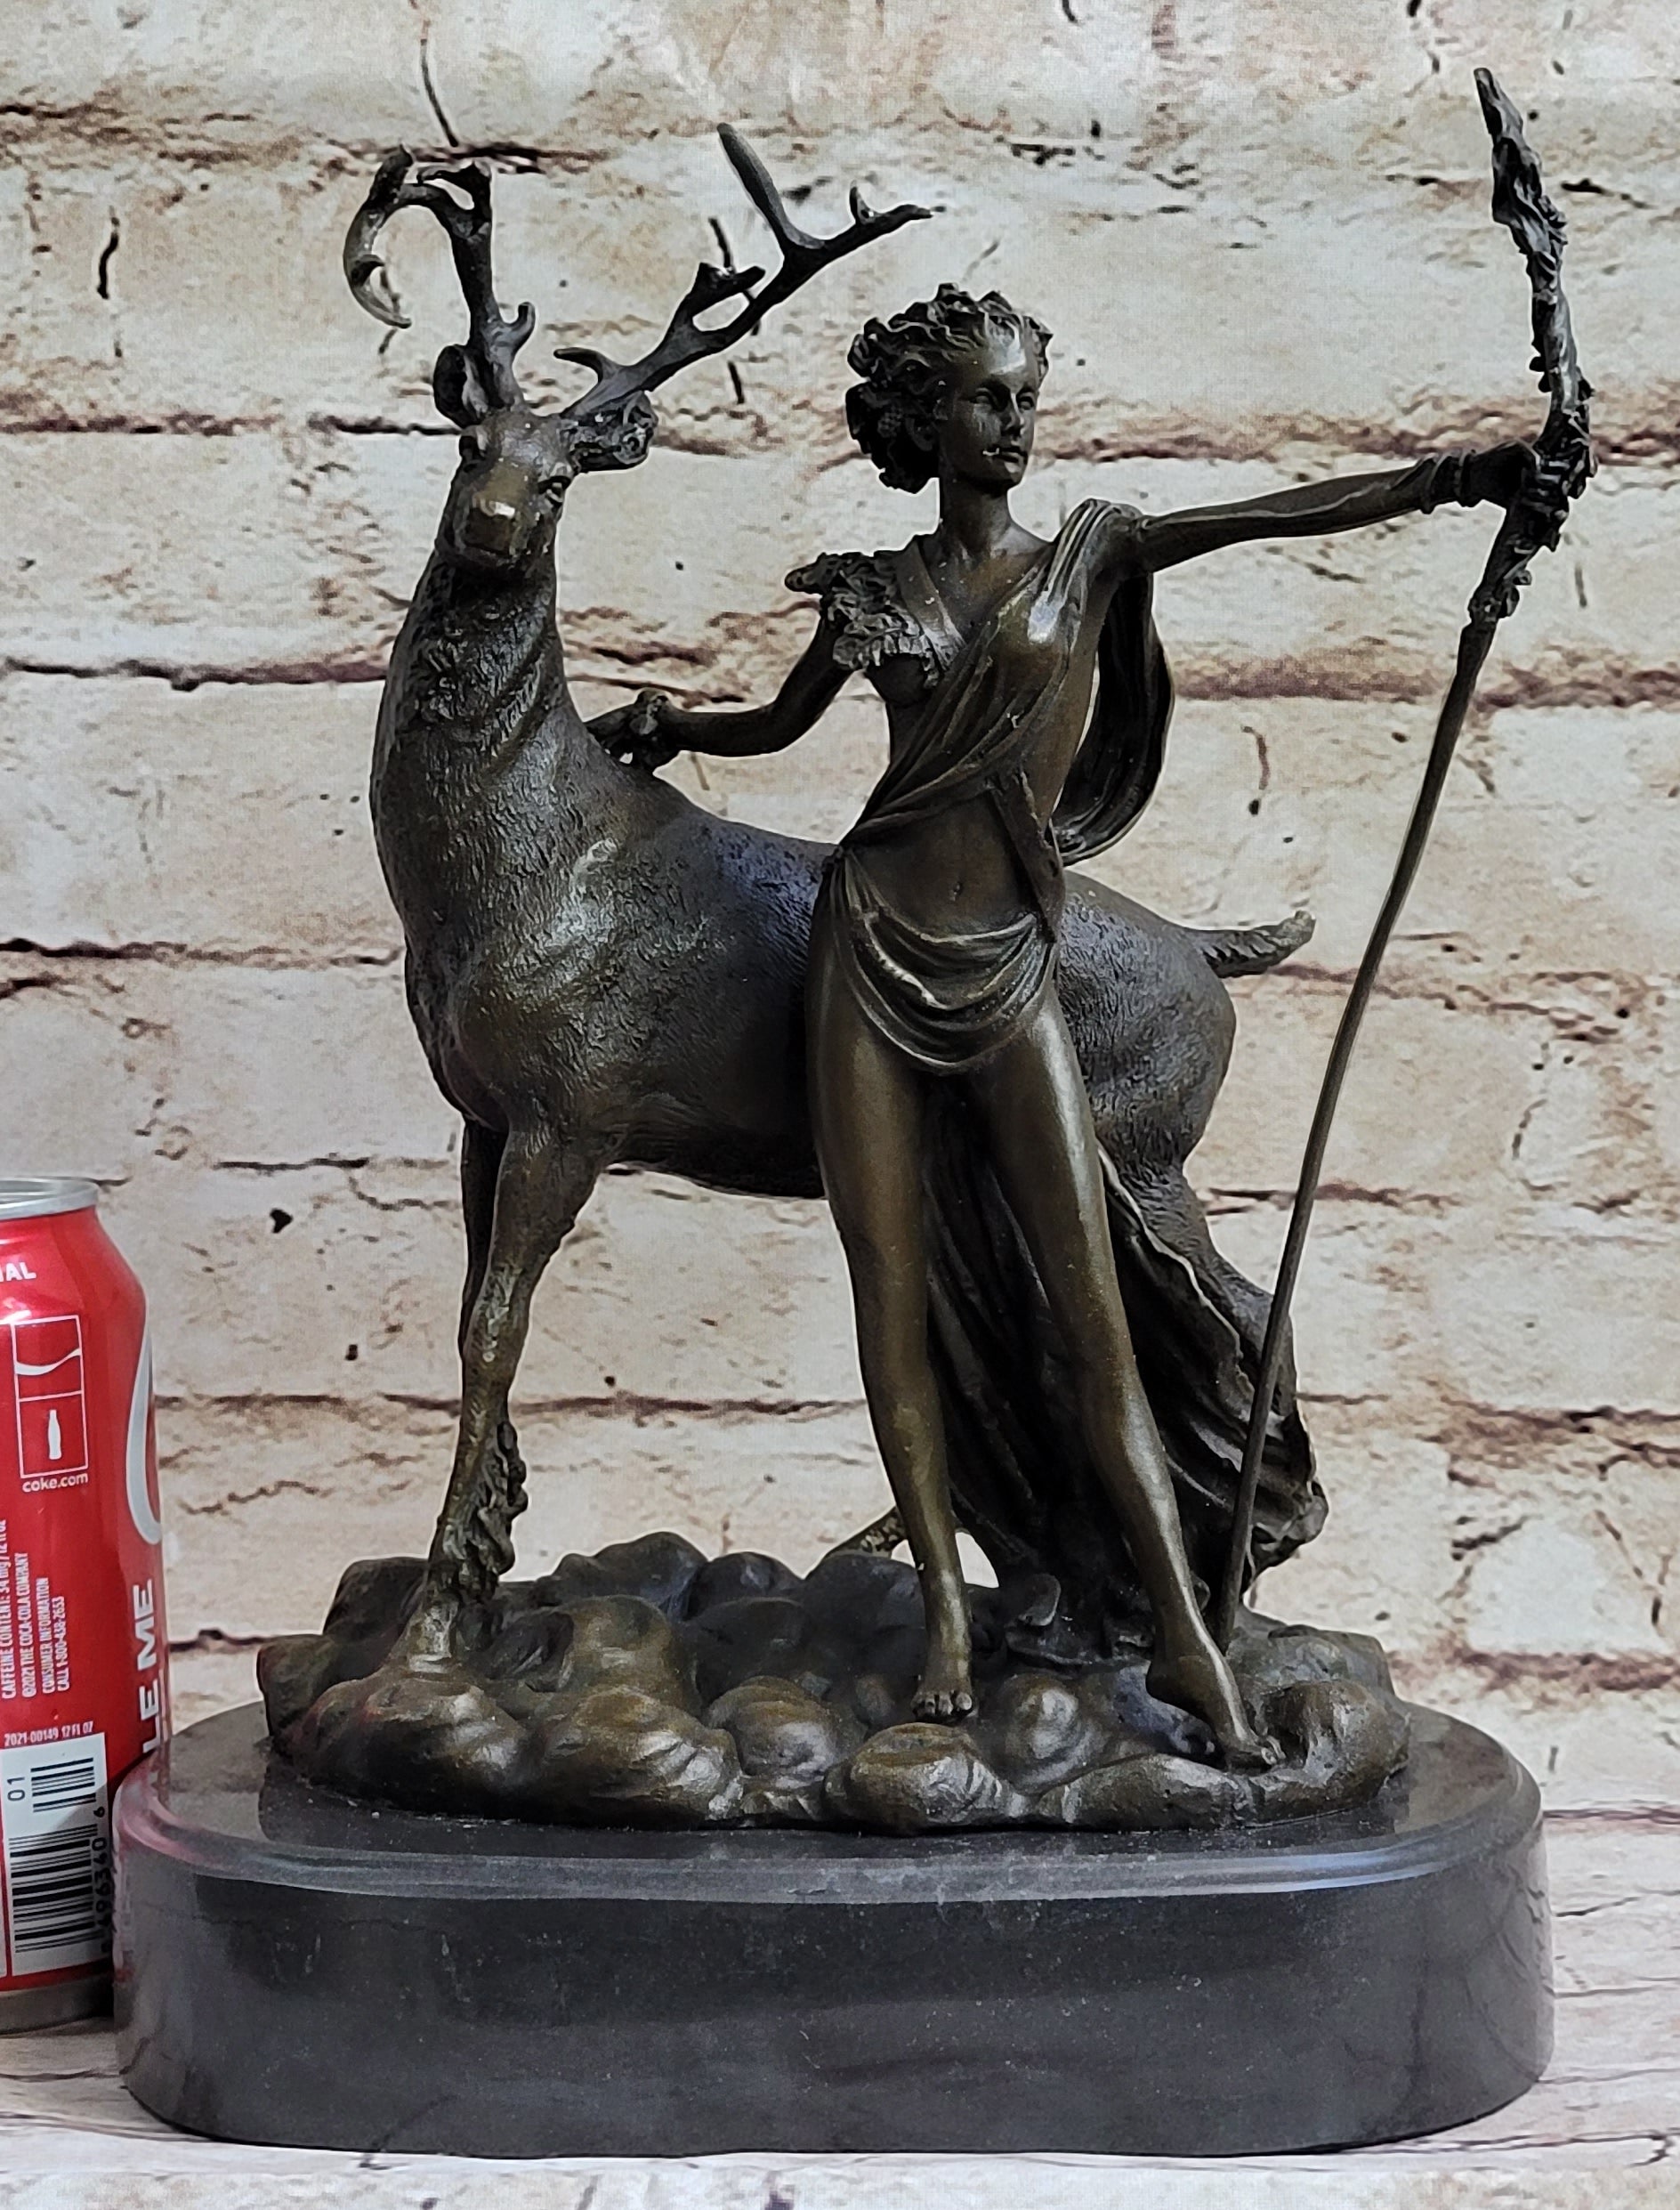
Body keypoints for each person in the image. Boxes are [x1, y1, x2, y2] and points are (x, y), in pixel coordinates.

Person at [593, 284, 1531, 1764]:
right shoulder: (874, 588)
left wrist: (1462, 479)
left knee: (1092, 1314)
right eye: (986, 399)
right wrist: (672, 726)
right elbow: (776, 729)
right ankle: (947, 1623)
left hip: (1005, 965)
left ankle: (1185, 1637)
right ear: (926, 421)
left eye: (1027, 395)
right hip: (865, 952)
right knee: (892, 1302)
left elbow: (1267, 516)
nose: (1015, 423)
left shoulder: (1090, 554)